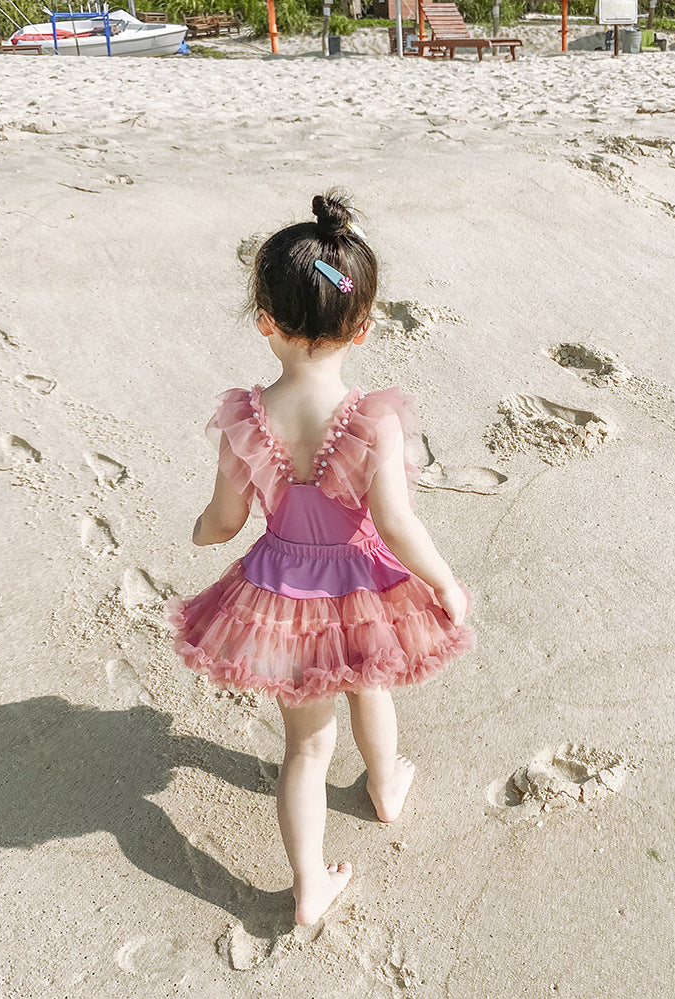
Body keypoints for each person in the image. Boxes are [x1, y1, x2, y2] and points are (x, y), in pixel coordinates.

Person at [168, 192, 473, 926]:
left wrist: (203, 535)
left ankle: (309, 885)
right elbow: (397, 523)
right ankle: (386, 787)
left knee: (305, 748)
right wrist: (444, 582)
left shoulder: (247, 416)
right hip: (362, 585)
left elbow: (225, 518)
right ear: (363, 329)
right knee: (372, 685)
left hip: (280, 592)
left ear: (265, 323)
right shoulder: (374, 419)